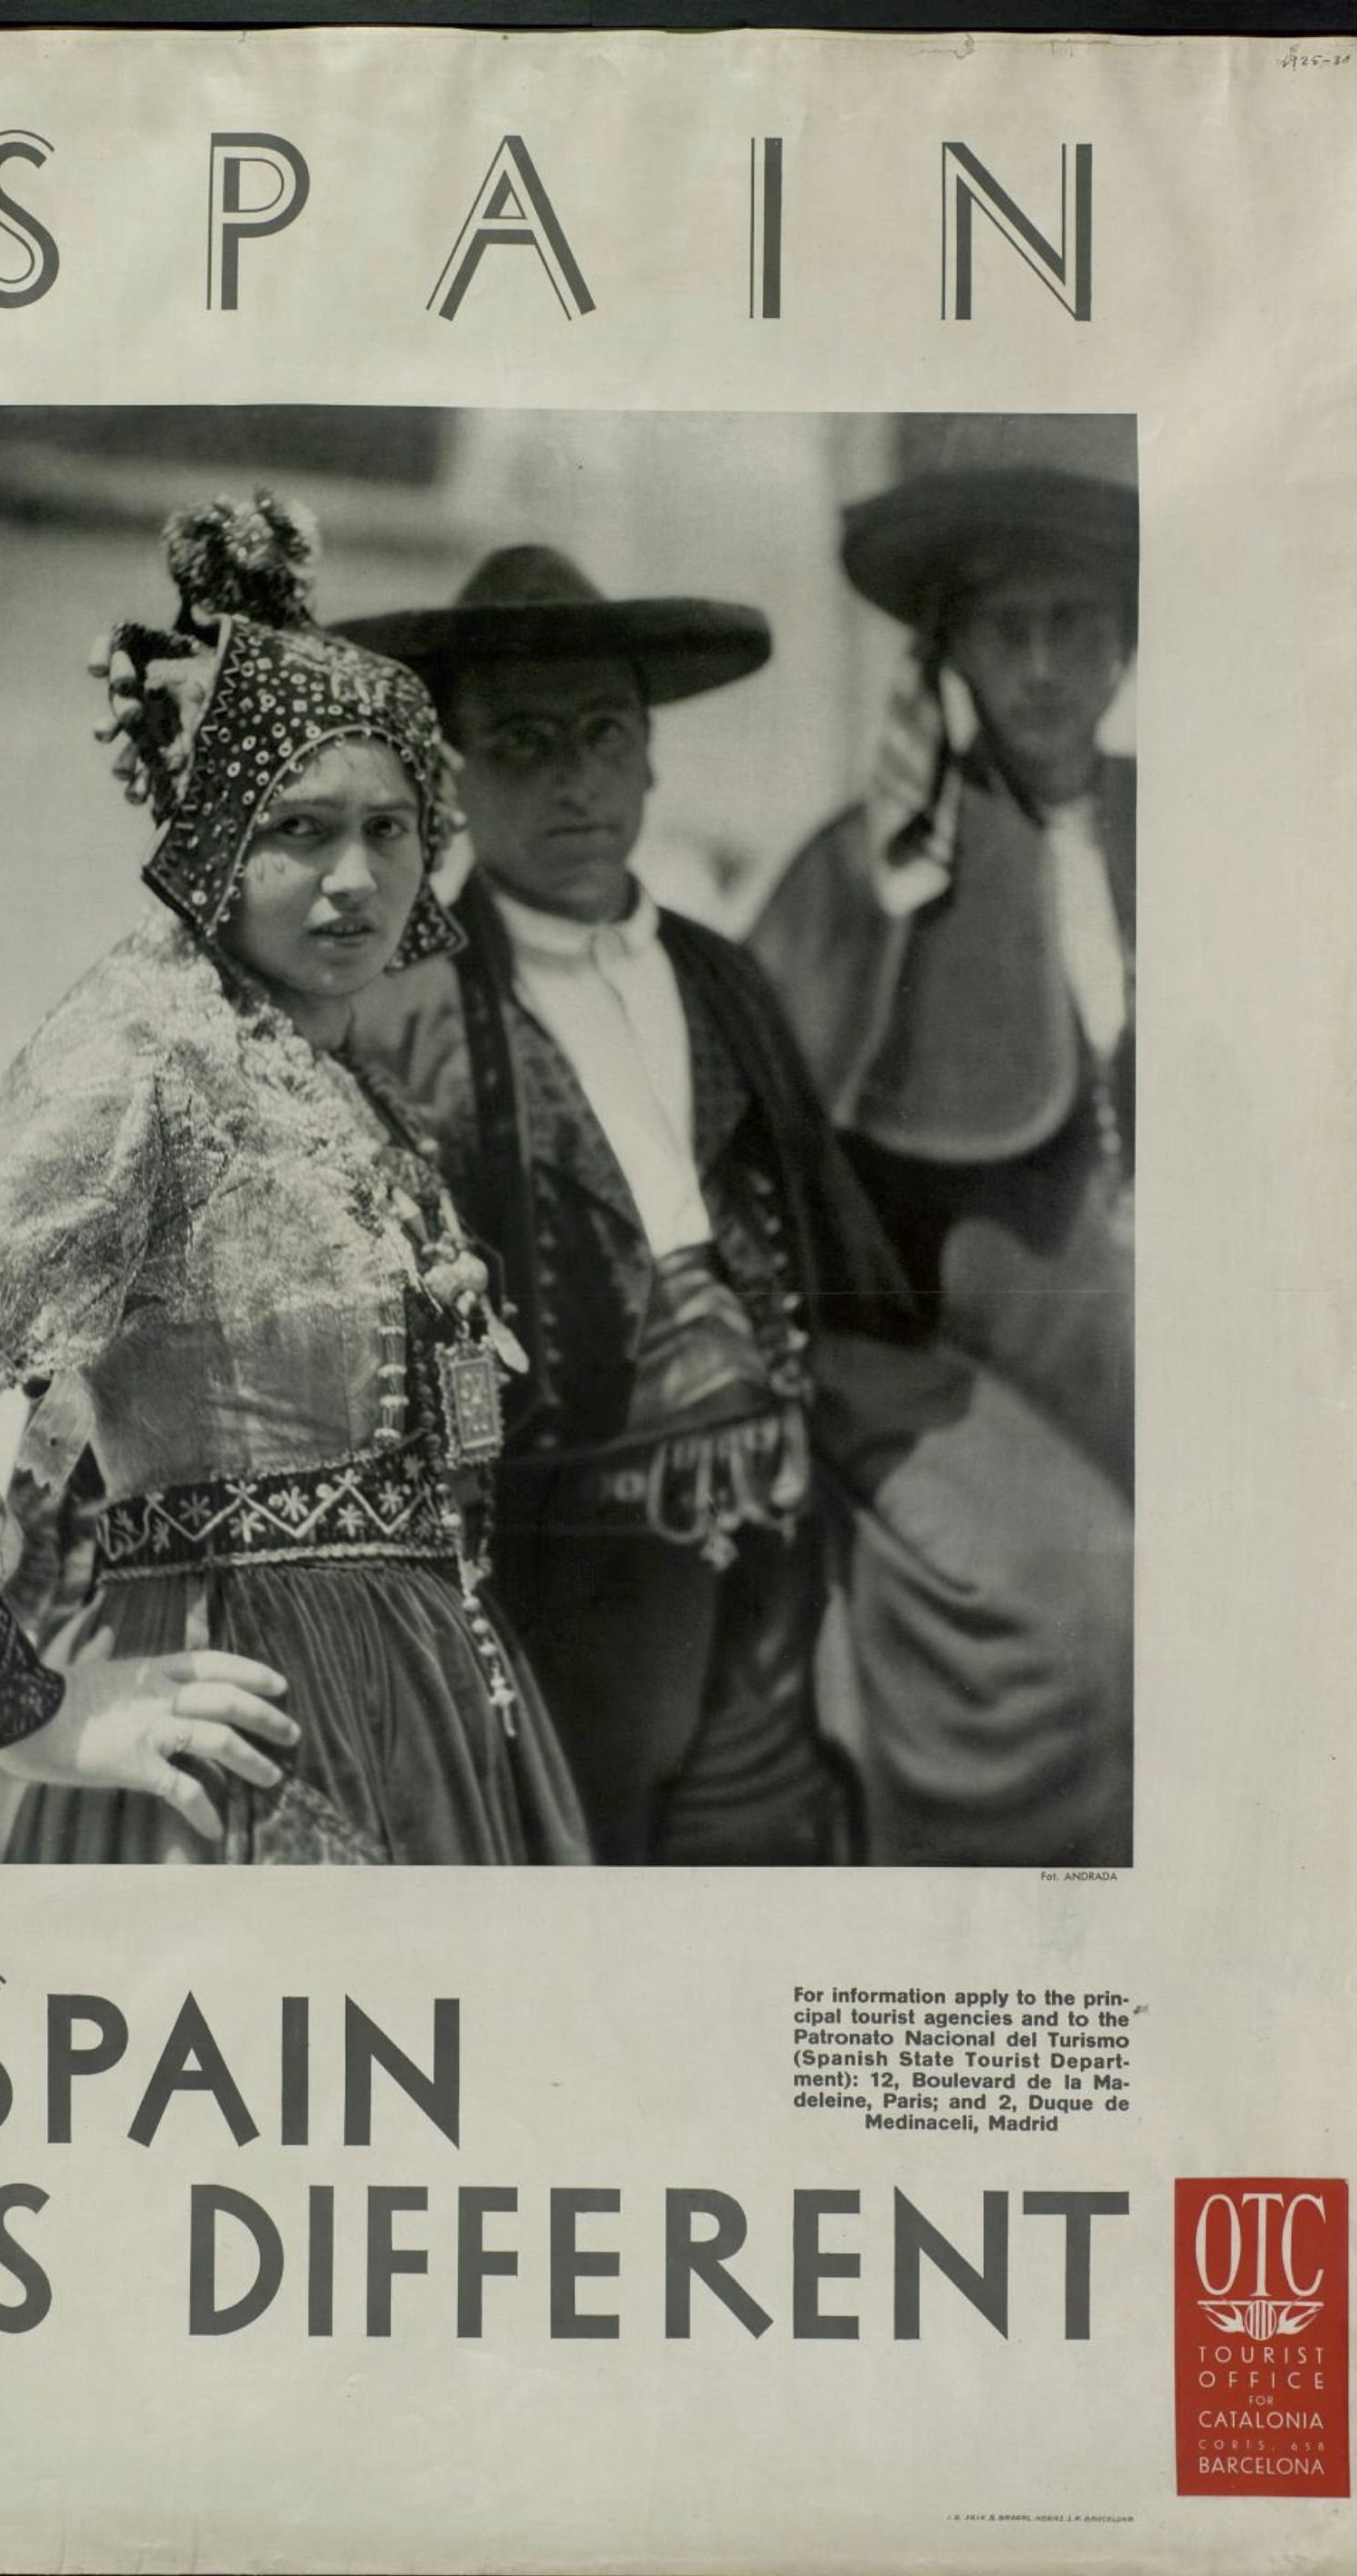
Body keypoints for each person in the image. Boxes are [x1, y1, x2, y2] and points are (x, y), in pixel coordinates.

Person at [311, 544, 1131, 1869]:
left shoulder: (721, 976)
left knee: (763, 1846)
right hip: (564, 1559)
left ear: (648, 760)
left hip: (769, 1535)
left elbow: (834, 1251)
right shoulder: (402, 1021)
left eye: (601, 736)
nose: (573, 778)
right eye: (522, 744)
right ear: (446, 778)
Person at [0, 495, 589, 1867]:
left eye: (390, 829)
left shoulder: (365, 1094)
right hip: (237, 1718)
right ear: (217, 835)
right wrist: (28, 1707)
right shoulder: (148, 1041)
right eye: (298, 827)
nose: (353, 880)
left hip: (438, 1719)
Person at [751, 466, 1136, 1496]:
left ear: (1128, 643)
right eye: (1008, 631)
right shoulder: (876, 859)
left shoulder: (1187, 824)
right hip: (976, 1341)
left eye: (1076, 624)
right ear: (956, 652)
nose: (1044, 667)